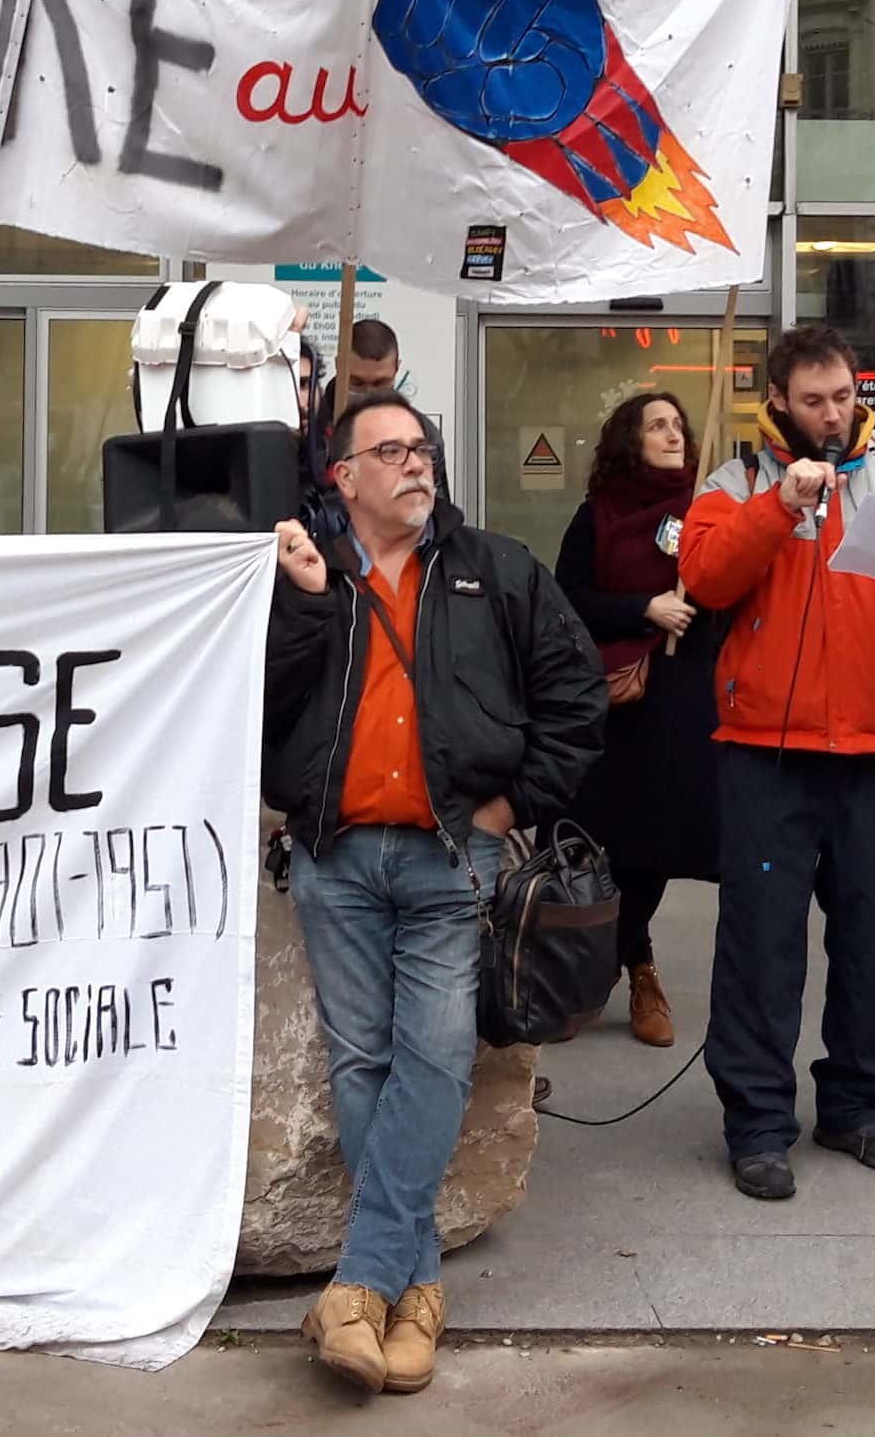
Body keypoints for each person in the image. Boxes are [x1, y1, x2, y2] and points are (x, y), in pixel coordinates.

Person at [265, 390, 602, 1396]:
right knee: (362, 1062)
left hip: (451, 855)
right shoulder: (303, 574)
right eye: (392, 451)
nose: (416, 465)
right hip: (334, 859)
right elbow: (258, 699)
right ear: (345, 476)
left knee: (439, 1057)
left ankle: (357, 1285)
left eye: (424, 448)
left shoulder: (495, 570)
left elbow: (576, 698)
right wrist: (310, 603)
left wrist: (507, 809)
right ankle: (413, 1298)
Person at [679, 324, 875, 1202]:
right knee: (761, 945)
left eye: (843, 396)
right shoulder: (735, 484)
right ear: (775, 400)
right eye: (813, 400)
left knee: (868, 938)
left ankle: (856, 1108)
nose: (832, 414)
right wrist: (780, 508)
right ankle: (759, 1123)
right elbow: (705, 581)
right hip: (766, 752)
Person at [552, 390, 724, 1047]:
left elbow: (730, 588)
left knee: (653, 848)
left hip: (678, 702)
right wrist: (642, 610)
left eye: (679, 424)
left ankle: (632, 969)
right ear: (631, 438)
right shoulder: (597, 515)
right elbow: (568, 598)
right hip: (610, 699)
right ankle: (612, 961)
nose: (674, 434)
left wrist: (697, 602)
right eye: (658, 425)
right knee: (596, 840)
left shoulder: (706, 511)